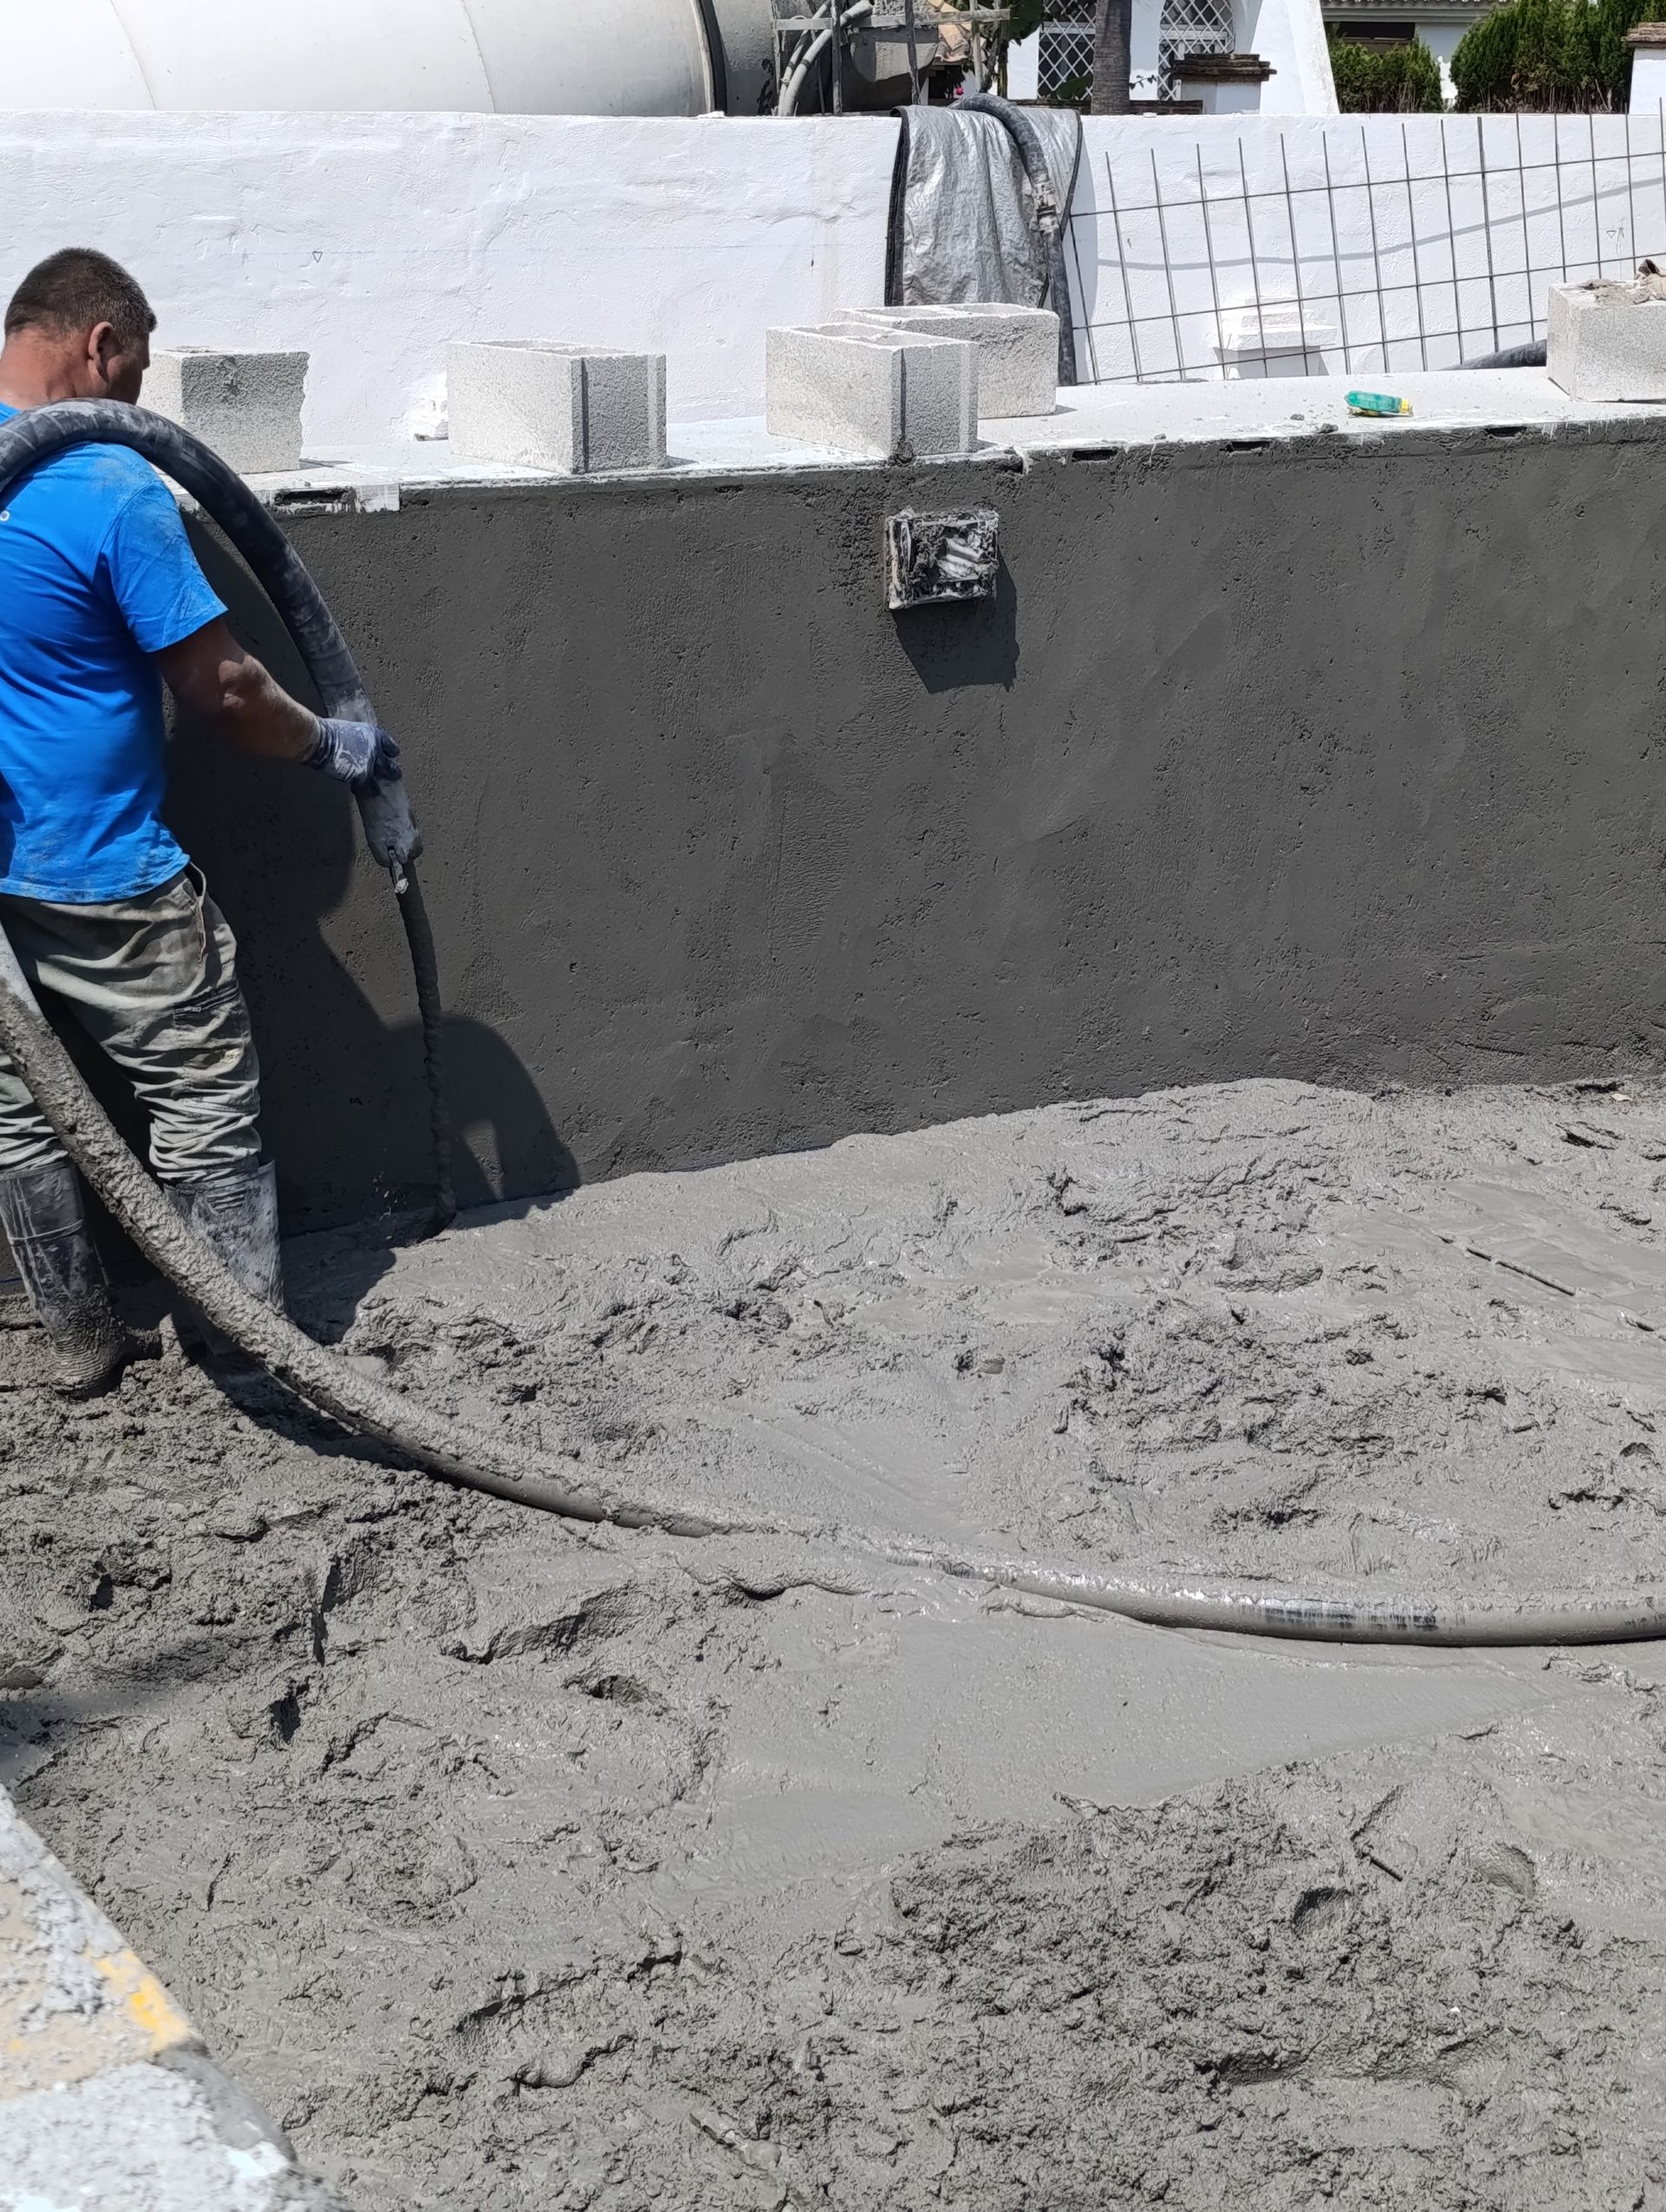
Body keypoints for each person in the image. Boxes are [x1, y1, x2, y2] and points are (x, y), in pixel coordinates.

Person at [0, 247, 400, 1397]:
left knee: (22, 1108)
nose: (133, 402)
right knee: (205, 1100)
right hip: (108, 875)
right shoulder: (108, 485)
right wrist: (337, 743)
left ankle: (77, 1338)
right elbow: (225, 694)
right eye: (134, 374)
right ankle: (247, 1337)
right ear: (101, 346)